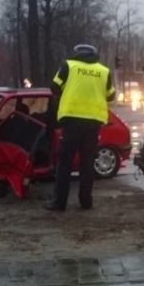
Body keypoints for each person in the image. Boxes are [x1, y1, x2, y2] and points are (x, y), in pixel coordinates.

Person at [44, 44, 115, 211]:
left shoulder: (69, 66)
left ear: (76, 54)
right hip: (93, 122)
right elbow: (111, 95)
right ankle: (86, 202)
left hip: (72, 120)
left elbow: (54, 88)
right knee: (87, 162)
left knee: (65, 161)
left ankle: (59, 202)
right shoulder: (104, 71)